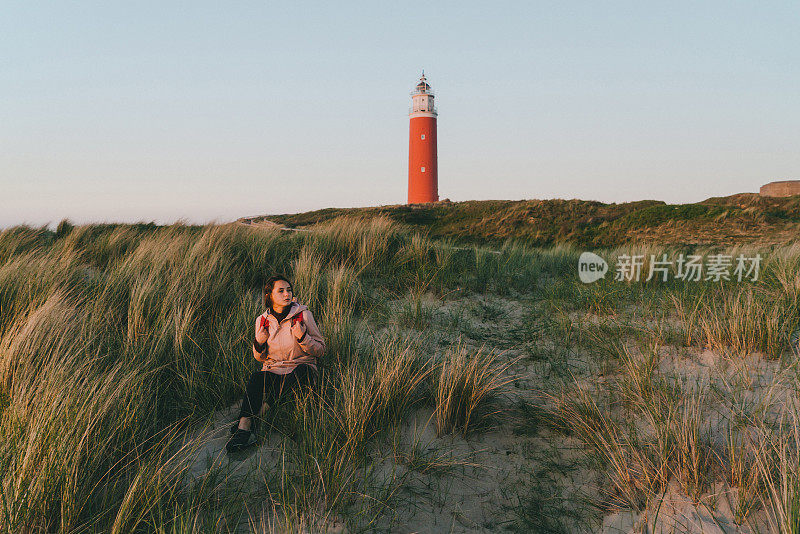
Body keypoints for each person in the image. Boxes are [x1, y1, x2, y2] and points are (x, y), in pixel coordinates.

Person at [226, 275, 325, 453]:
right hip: (274, 370)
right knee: (256, 378)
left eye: (289, 290)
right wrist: (259, 342)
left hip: (300, 369)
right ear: (269, 295)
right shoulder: (262, 321)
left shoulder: (304, 315)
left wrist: (303, 337)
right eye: (281, 291)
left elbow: (320, 350)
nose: (287, 294)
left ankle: (261, 415)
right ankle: (244, 427)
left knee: (302, 372)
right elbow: (260, 358)